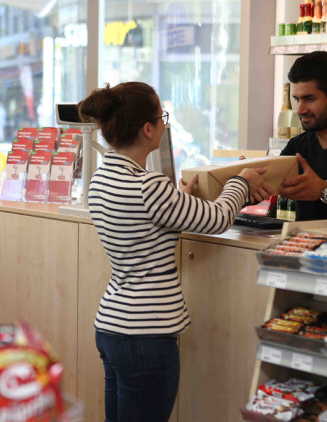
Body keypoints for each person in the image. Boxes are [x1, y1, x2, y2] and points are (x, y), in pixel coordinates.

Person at [78, 82, 271, 422]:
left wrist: (179, 196)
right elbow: (218, 218)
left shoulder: (102, 178)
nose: (165, 124)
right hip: (146, 334)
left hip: (111, 326)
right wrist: (242, 181)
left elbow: (147, 223)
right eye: (162, 117)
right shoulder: (149, 186)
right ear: (148, 128)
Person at [279, 51, 327, 221]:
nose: (300, 109)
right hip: (302, 245)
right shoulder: (296, 147)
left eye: (309, 99)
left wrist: (324, 190)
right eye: (297, 99)